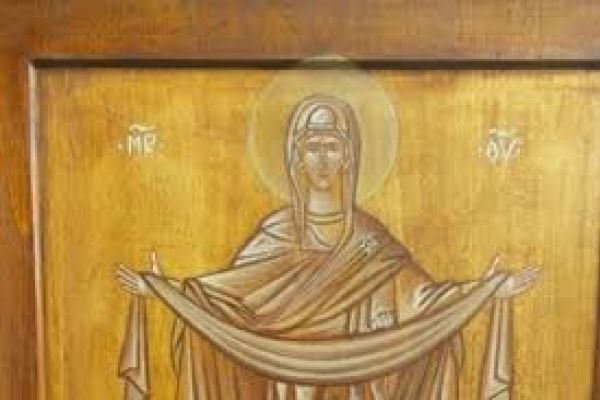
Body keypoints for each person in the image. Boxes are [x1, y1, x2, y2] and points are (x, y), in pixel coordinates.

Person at [117, 94, 540, 400]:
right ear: (296, 157)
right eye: (313, 147)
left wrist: (482, 291)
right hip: (287, 388)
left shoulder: (371, 241)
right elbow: (227, 305)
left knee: (439, 348)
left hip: (361, 387)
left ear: (348, 156)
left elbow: (423, 302)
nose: (322, 159)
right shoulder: (277, 233)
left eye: (331, 147)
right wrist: (166, 290)